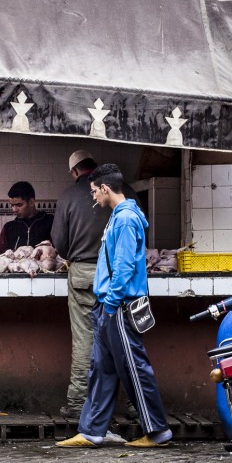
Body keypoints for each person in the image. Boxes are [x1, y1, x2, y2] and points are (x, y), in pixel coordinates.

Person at [56, 164, 172, 448]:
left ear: (105, 188)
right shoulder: (117, 216)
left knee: (133, 367)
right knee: (101, 368)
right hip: (108, 305)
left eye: (95, 191)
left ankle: (157, 432)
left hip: (120, 306)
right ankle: (92, 430)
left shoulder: (126, 219)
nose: (93, 197)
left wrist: (110, 303)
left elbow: (123, 268)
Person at [51, 150, 137, 419]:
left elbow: (59, 242)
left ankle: (78, 403)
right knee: (123, 340)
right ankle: (136, 405)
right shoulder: (127, 193)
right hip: (119, 275)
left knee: (85, 340)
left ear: (75, 171)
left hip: (83, 275)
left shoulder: (67, 196)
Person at [0, 181, 54, 256]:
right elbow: (0, 249)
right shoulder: (9, 227)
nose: (14, 210)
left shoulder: (50, 222)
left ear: (31, 202)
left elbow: (59, 250)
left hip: (45, 267)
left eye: (19, 205)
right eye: (12, 205)